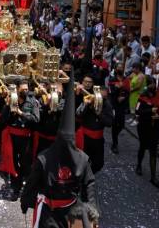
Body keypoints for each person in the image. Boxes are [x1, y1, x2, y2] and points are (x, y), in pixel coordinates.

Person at [20, 74, 99, 228]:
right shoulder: (44, 159)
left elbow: (89, 182)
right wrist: (26, 199)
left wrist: (91, 207)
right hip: (49, 209)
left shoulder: (81, 159)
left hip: (73, 210)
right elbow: (32, 182)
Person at [0, 79, 40, 201]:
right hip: (11, 137)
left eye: (27, 89)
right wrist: (7, 105)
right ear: (17, 89)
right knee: (14, 163)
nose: (25, 92)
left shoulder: (32, 101)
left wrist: (21, 113)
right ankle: (16, 188)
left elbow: (36, 119)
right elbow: (3, 120)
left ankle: (26, 186)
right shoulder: (11, 99)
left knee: (26, 164)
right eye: (23, 89)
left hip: (25, 138)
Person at [75, 79, 112, 174]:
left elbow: (109, 122)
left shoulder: (107, 105)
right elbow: (78, 114)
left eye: (103, 99)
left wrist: (99, 114)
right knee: (81, 161)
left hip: (98, 140)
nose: (101, 101)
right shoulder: (88, 100)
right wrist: (85, 104)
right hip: (85, 138)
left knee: (98, 163)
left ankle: (88, 174)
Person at [135, 76, 159, 188]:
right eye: (151, 84)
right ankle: (139, 165)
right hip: (144, 126)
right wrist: (150, 110)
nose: (153, 86)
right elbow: (138, 110)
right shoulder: (143, 96)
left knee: (153, 151)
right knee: (142, 146)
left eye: (154, 84)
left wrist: (158, 115)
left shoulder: (158, 95)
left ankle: (153, 176)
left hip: (155, 127)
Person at [109, 63, 129, 154]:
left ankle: (114, 136)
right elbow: (111, 92)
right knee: (115, 124)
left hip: (122, 105)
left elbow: (128, 91)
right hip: (115, 104)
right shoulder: (112, 79)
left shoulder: (126, 79)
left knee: (121, 125)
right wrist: (117, 88)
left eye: (122, 67)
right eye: (119, 67)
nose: (120, 69)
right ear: (115, 69)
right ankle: (115, 143)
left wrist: (124, 97)